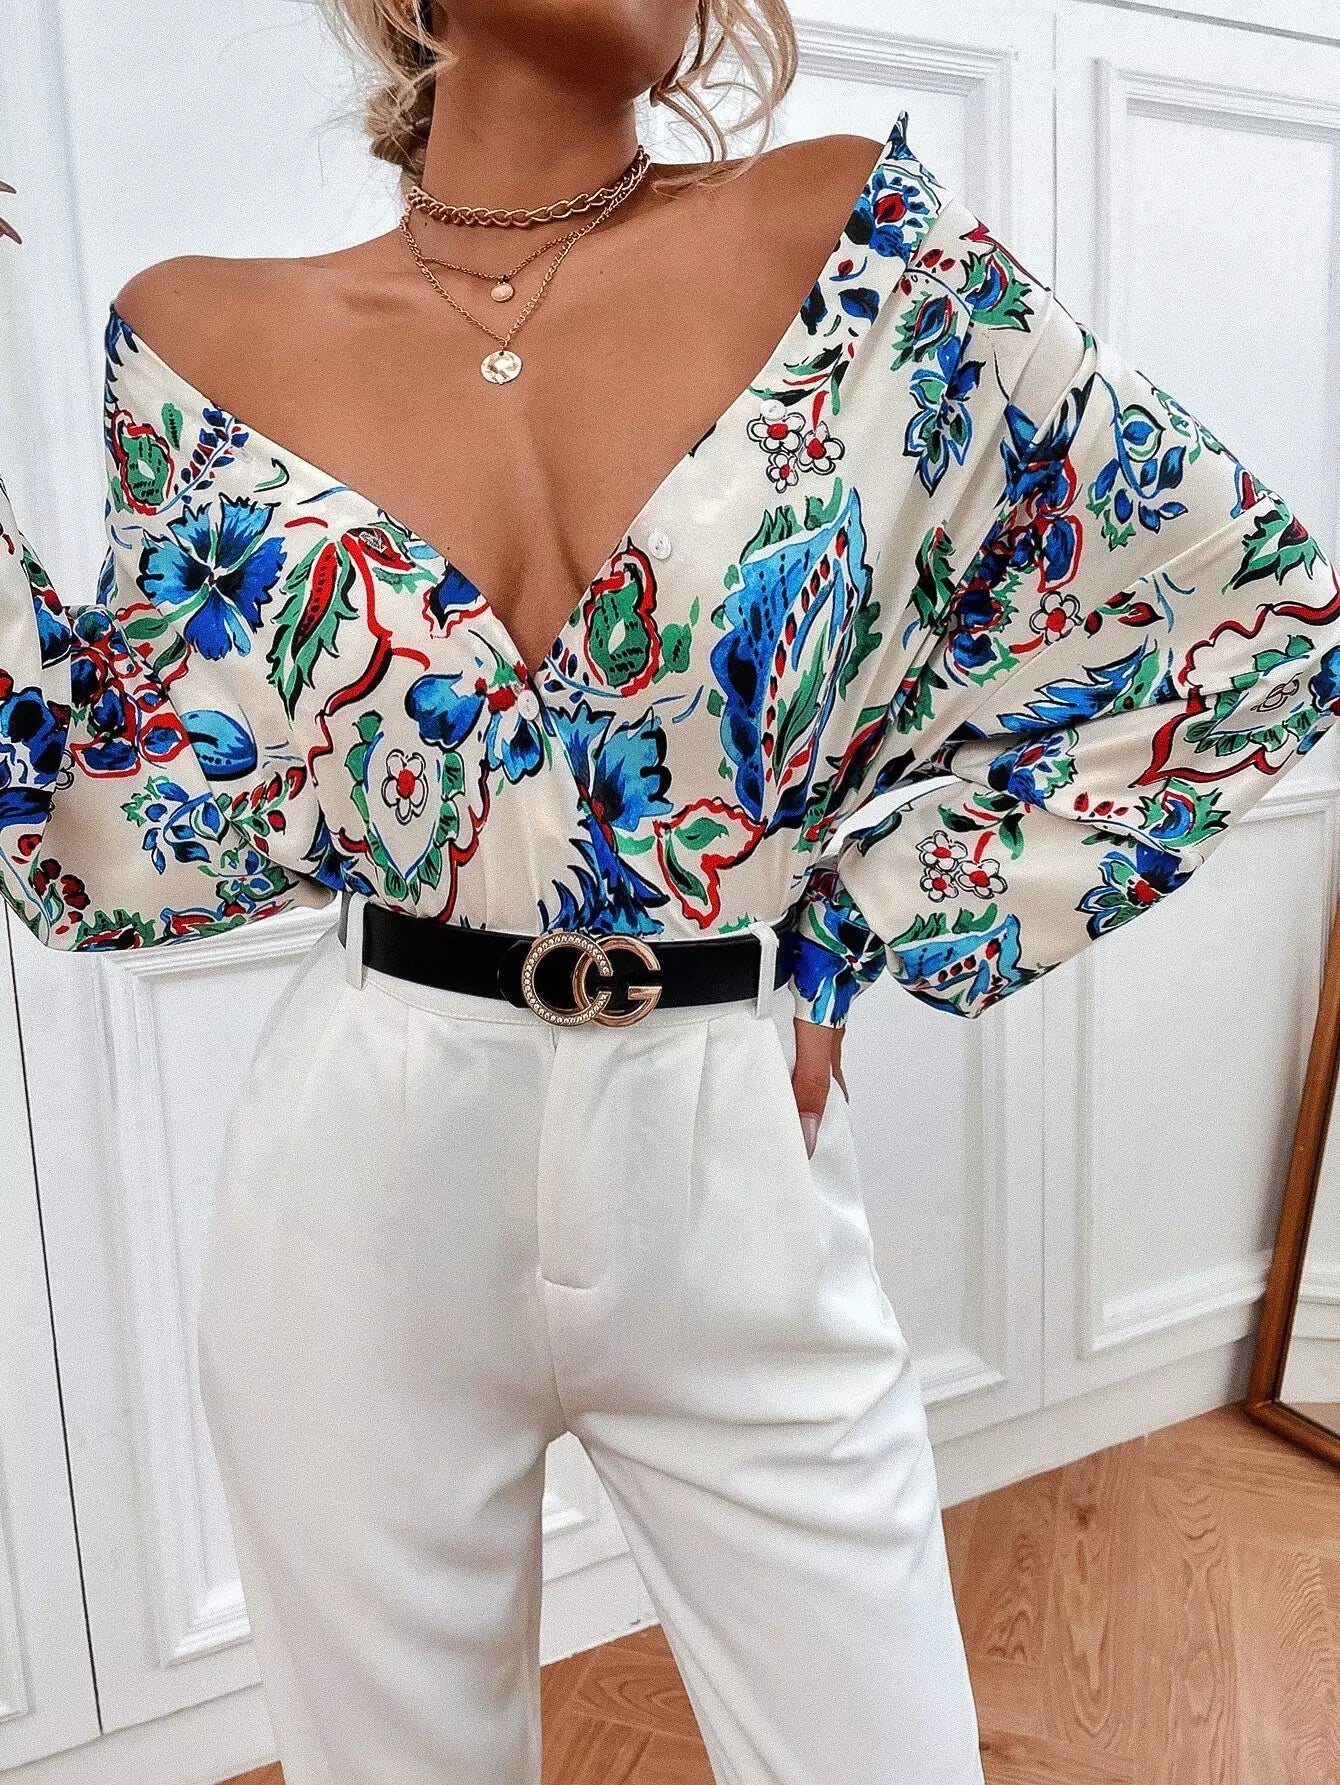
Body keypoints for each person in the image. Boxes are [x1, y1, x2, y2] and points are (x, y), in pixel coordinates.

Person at [2, 2, 1338, 1781]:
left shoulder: (857, 253)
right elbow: (105, 843)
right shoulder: (195, 340)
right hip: (359, 1171)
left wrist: (860, 927)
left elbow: (1237, 618)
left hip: (731, 1145)